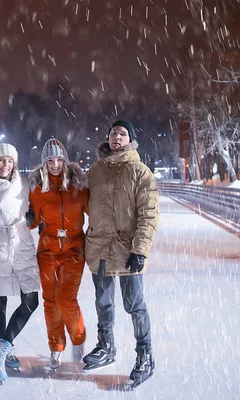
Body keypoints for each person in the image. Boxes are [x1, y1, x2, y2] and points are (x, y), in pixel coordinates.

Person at [83, 120, 159, 388]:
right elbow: (81, 202)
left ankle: (145, 355)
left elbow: (148, 213)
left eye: (122, 133)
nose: (117, 136)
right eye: (113, 132)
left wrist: (140, 248)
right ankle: (106, 346)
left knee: (134, 305)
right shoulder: (95, 171)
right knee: (103, 302)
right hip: (99, 249)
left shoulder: (140, 171)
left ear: (130, 140)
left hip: (128, 251)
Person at [0, 143, 41, 384]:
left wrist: (34, 216)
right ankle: (5, 350)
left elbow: (32, 207)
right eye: (1, 161)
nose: (5, 165)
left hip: (22, 241)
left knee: (31, 299)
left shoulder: (22, 182)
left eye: (9, 161)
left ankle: (0, 347)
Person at [28, 137, 89, 370]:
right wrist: (26, 219)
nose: (55, 164)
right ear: (44, 162)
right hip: (47, 251)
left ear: (65, 160)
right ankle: (56, 347)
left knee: (66, 299)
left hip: (74, 249)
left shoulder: (78, 186)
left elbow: (95, 212)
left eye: (58, 159)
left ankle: (79, 341)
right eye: (50, 160)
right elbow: (33, 220)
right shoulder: (37, 187)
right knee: (50, 301)